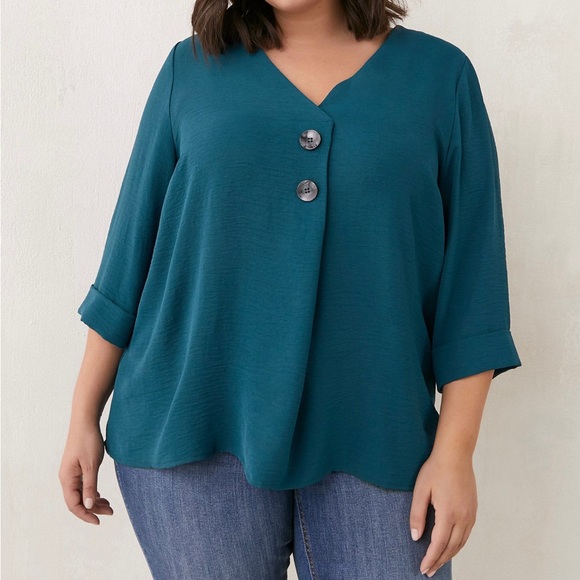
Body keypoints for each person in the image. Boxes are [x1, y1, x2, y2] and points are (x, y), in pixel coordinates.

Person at [58, 1, 523, 578]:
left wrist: (455, 452)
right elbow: (130, 255)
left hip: (377, 432)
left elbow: (473, 287)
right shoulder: (191, 69)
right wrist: (83, 414)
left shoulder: (440, 77)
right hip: (190, 428)